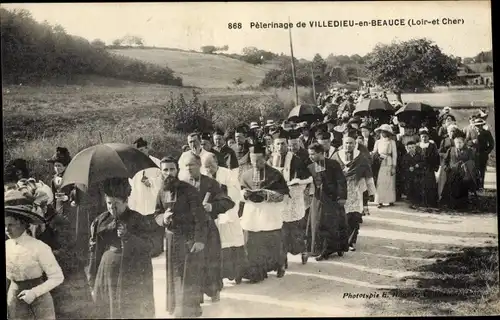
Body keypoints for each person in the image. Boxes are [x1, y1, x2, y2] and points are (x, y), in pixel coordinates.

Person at [86, 177, 155, 319]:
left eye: (116, 203)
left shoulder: (138, 219)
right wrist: (92, 277)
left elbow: (150, 246)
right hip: (107, 271)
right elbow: (95, 252)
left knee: (129, 309)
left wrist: (128, 237)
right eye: (109, 203)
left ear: (126, 202)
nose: (112, 207)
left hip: (131, 271)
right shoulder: (101, 220)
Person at [154, 157, 208, 318]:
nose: (169, 173)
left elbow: (200, 217)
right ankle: (176, 306)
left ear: (177, 170)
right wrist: (163, 218)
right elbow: (156, 213)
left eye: (171, 169)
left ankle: (190, 309)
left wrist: (199, 239)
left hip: (188, 238)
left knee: (188, 274)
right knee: (174, 273)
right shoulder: (161, 191)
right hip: (171, 239)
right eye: (165, 170)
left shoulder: (189, 189)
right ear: (161, 172)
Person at [179, 152, 234, 303]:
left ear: (199, 166)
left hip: (208, 229)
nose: (189, 168)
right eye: (186, 165)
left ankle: (214, 290)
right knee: (192, 263)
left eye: (192, 164)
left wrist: (211, 206)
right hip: (190, 231)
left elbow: (228, 202)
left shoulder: (210, 183)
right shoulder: (181, 184)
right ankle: (195, 296)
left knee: (211, 261)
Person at [6, 190, 65, 320]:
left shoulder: (39, 247)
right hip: (14, 302)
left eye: (11, 225)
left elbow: (57, 277)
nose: (7, 229)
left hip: (39, 301)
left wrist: (34, 292)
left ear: (22, 223)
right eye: (4, 225)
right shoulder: (7, 246)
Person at [239, 143, 289, 282]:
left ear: (265, 158)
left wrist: (267, 194)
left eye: (259, 161)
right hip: (252, 211)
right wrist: (244, 194)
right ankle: (255, 271)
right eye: (253, 161)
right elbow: (240, 190)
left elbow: (283, 194)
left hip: (269, 211)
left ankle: (279, 266)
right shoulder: (246, 174)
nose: (255, 164)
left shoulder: (275, 174)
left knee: (272, 240)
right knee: (251, 240)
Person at [268, 129, 312, 266]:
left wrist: (296, 183)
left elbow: (306, 178)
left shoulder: (296, 160)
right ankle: (282, 256)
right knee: (280, 229)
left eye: (283, 144)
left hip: (293, 198)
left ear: (287, 145)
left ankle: (302, 249)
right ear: (274, 146)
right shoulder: (270, 160)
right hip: (278, 199)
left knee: (294, 229)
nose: (280, 147)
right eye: (278, 144)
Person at [201, 153, 246, 284]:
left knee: (233, 242)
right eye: (206, 166)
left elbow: (235, 192)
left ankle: (237, 273)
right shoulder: (202, 175)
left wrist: (220, 188)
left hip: (228, 212)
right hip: (212, 213)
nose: (209, 169)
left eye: (211, 165)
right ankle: (219, 275)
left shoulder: (228, 174)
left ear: (216, 162)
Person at [332, 131, 375, 251]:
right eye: (346, 143)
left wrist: (371, 192)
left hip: (355, 190)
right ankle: (341, 241)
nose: (348, 146)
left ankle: (352, 241)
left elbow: (368, 175)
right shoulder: (336, 155)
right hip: (340, 190)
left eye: (351, 143)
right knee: (341, 216)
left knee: (354, 216)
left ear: (355, 143)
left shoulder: (361, 157)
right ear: (342, 143)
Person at [307, 142, 348, 260]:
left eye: (313, 154)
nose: (310, 157)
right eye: (309, 154)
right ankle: (321, 249)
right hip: (318, 199)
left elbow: (341, 181)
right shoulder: (310, 167)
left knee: (333, 223)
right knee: (317, 222)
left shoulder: (333, 164)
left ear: (321, 153)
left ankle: (333, 249)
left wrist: (342, 197)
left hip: (333, 199)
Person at [440, 131, 479, 210]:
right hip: (452, 173)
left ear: (464, 142)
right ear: (454, 142)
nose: (459, 144)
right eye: (457, 142)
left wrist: (467, 165)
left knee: (463, 189)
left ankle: (463, 206)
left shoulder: (469, 151)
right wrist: (446, 167)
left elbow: (473, 161)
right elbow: (445, 161)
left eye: (460, 142)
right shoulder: (451, 150)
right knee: (452, 189)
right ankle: (452, 205)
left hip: (464, 174)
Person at [372, 124, 398, 208]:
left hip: (389, 162)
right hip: (380, 162)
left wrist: (394, 166)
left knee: (390, 182)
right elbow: (374, 152)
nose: (383, 133)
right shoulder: (378, 142)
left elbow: (395, 155)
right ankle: (379, 200)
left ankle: (390, 200)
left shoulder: (392, 142)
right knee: (380, 181)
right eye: (382, 132)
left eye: (385, 132)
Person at [468, 118, 495, 189]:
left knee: (482, 170)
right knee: (474, 170)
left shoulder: (487, 133)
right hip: (473, 154)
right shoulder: (471, 131)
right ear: (474, 125)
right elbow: (466, 141)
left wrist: (487, 152)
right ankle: (474, 186)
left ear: (482, 125)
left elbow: (492, 144)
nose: (478, 127)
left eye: (480, 125)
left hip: (483, 154)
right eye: (477, 125)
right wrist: (472, 142)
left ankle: (481, 186)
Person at [418, 128, 440, 209]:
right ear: (420, 137)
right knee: (420, 184)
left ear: (428, 137)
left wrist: (435, 167)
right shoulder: (418, 146)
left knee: (430, 184)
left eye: (425, 136)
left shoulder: (432, 146)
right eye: (422, 137)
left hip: (429, 168)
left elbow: (436, 157)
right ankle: (421, 202)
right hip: (420, 169)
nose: (424, 138)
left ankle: (431, 203)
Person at [401, 140, 425, 209]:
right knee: (410, 188)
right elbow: (403, 165)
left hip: (418, 174)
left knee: (417, 188)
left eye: (413, 147)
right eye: (410, 148)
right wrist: (408, 168)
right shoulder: (405, 156)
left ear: (415, 147)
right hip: (409, 175)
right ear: (407, 148)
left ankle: (417, 202)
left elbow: (423, 163)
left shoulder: (419, 155)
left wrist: (418, 165)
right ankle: (412, 202)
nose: (411, 149)